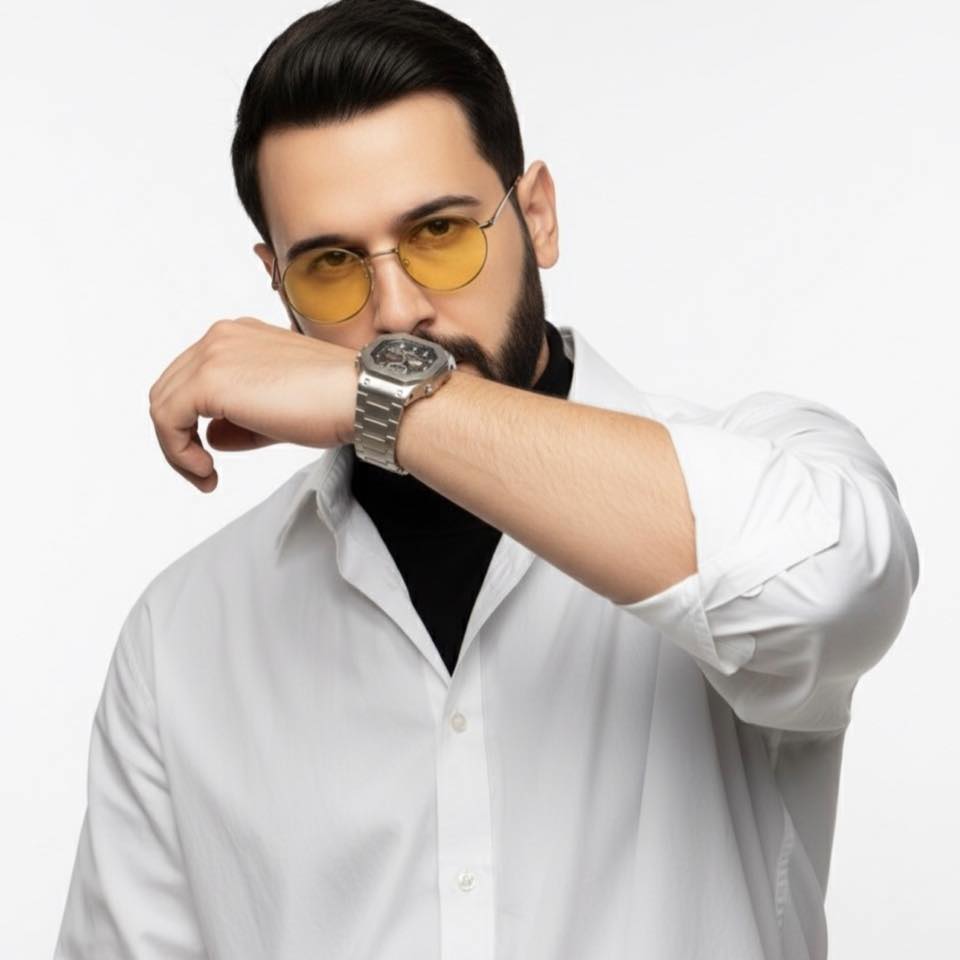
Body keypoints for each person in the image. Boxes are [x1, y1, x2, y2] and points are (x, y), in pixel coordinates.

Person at [53, 1, 919, 957]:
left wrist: (375, 397)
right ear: (276, 284)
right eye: (332, 265)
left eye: (439, 233)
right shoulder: (183, 633)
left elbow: (829, 592)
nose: (397, 312)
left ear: (536, 215)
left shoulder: (765, 465)